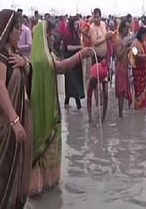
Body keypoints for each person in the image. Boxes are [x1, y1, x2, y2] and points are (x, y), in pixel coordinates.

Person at [29, 19, 92, 196]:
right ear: (42, 37)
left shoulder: (48, 54)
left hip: (51, 108)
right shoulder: (42, 59)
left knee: (52, 147)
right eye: (49, 35)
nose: (52, 38)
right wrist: (81, 55)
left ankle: (49, 184)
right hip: (44, 111)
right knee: (45, 147)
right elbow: (61, 67)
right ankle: (39, 186)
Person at [0, 9, 32, 209]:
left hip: (14, 120)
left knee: (16, 171)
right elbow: (0, 86)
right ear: (7, 30)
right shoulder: (1, 54)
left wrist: (25, 64)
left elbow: (27, 75)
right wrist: (15, 121)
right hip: (3, 123)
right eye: (17, 29)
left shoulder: (15, 53)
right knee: (6, 173)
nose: (20, 33)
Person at [63, 18, 85, 109]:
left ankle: (66, 103)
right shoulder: (67, 34)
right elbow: (68, 47)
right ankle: (78, 105)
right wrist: (79, 47)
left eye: (78, 24)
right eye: (76, 24)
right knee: (72, 82)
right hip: (69, 61)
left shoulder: (77, 34)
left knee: (76, 81)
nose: (77, 26)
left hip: (77, 61)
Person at [130, 27, 146, 109]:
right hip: (138, 71)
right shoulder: (134, 43)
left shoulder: (144, 42)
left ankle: (142, 107)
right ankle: (137, 107)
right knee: (138, 90)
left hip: (144, 70)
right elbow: (136, 55)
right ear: (141, 35)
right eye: (145, 35)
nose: (145, 37)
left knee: (143, 89)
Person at [114, 19, 133, 117]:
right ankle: (120, 114)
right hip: (120, 68)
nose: (128, 31)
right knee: (121, 93)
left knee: (123, 91)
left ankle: (121, 114)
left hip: (125, 68)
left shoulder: (123, 40)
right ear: (123, 29)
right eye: (127, 29)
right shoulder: (118, 41)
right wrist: (126, 47)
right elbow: (118, 56)